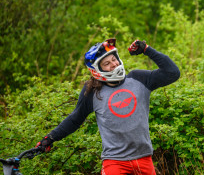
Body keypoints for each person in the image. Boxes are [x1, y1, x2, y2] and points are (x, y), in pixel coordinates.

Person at [36, 38, 180, 175]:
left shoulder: (138, 79)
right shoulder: (92, 92)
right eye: (106, 63)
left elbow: (172, 73)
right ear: (96, 70)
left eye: (114, 59)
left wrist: (147, 50)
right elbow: (75, 119)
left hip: (144, 158)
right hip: (114, 162)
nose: (114, 64)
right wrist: (50, 138)